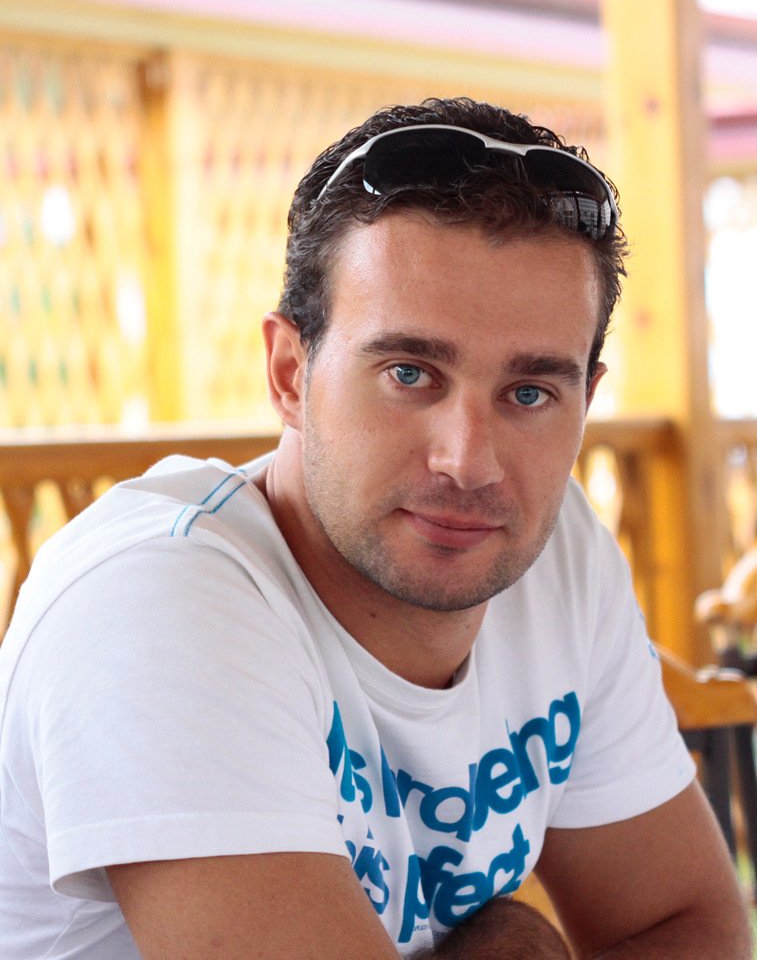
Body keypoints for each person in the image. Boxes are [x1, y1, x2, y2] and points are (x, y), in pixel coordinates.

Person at [0, 97, 750, 959]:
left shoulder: (554, 552)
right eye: (409, 373)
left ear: (585, 397)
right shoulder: (156, 601)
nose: (468, 462)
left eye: (530, 392)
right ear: (290, 373)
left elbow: (686, 926)